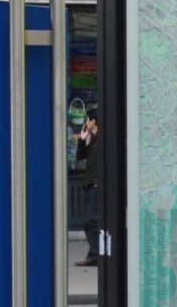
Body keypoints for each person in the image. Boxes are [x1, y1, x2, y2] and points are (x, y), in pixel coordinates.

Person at [75, 108, 100, 267]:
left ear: (93, 121)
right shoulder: (91, 138)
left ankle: (96, 254)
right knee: (90, 221)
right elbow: (80, 157)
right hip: (90, 184)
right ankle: (95, 254)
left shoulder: (103, 139)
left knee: (92, 221)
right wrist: (82, 140)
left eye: (87, 119)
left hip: (96, 185)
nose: (85, 122)